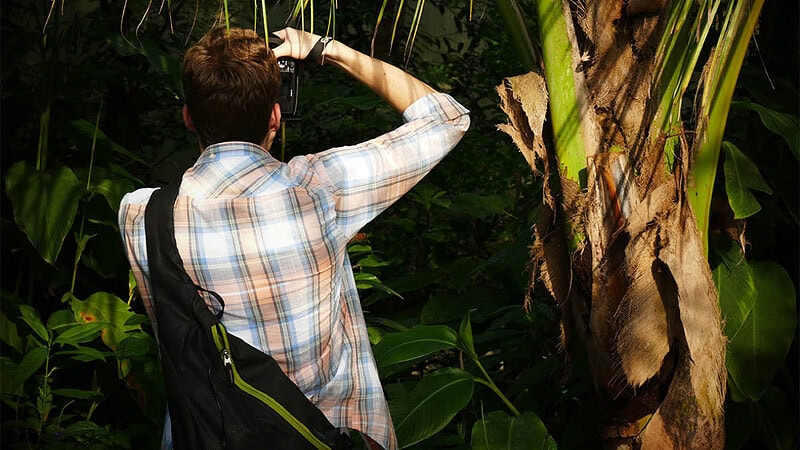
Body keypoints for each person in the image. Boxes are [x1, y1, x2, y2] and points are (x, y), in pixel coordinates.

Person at [118, 26, 469, 450]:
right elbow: (448, 117)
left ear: (188, 116)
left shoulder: (141, 215)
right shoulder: (320, 190)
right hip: (324, 435)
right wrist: (327, 50)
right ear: (274, 116)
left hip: (211, 435)